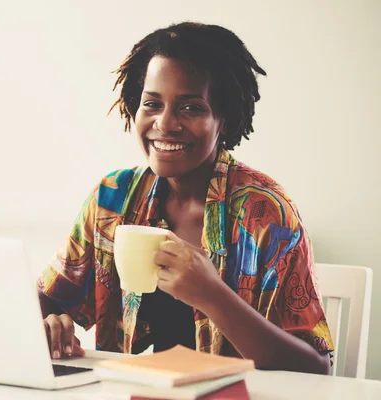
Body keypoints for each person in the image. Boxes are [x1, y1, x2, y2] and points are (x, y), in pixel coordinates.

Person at [37, 21, 334, 375]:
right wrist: (48, 323)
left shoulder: (266, 213)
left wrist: (212, 295)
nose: (165, 123)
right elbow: (46, 301)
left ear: (223, 118)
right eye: (152, 104)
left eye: (190, 108)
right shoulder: (112, 199)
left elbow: (315, 368)